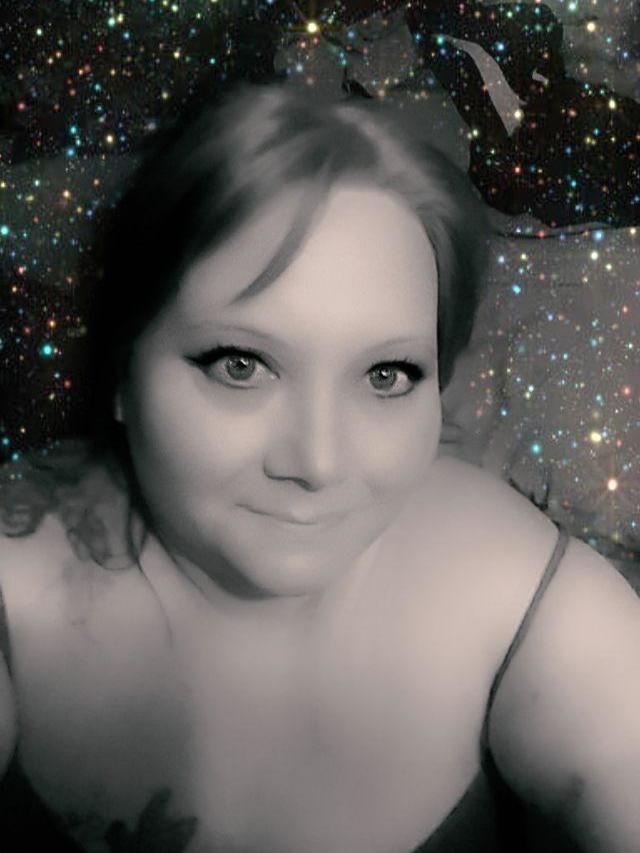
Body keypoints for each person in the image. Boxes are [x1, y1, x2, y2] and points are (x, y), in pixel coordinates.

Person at [0, 78, 639, 853]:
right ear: (121, 370)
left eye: (386, 375)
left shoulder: (519, 597)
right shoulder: (15, 590)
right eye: (240, 365)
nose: (320, 461)